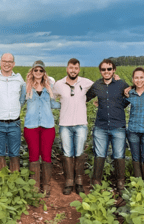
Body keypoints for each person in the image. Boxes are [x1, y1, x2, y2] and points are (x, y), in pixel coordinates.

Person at [86, 59, 129, 193]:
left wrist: (118, 106)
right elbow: (85, 98)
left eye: (109, 69)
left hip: (118, 125)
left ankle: (120, 183)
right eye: (103, 69)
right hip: (101, 126)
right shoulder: (97, 85)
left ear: (114, 70)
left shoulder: (121, 84)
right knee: (99, 154)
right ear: (100, 71)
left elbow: (129, 96)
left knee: (119, 155)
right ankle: (96, 182)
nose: (106, 72)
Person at [53, 58, 93, 195]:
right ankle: (69, 181)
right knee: (67, 153)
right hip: (65, 124)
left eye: (76, 68)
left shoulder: (86, 82)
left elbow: (100, 87)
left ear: (79, 69)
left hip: (81, 124)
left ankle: (79, 181)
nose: (73, 71)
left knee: (79, 153)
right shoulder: (59, 84)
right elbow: (51, 98)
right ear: (67, 68)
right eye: (71, 68)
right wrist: (61, 106)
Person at [21, 60, 60, 197]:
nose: (38, 73)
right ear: (32, 71)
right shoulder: (25, 87)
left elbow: (55, 104)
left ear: (44, 73)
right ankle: (35, 185)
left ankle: (46, 185)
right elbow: (19, 104)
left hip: (47, 126)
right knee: (33, 155)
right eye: (35, 70)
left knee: (46, 155)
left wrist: (71, 103)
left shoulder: (49, 87)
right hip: (31, 126)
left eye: (41, 70)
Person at [0, 53, 25, 172]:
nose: (7, 64)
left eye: (10, 61)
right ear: (0, 62)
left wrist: (17, 107)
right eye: (4, 61)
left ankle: (14, 179)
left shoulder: (19, 79)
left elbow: (22, 97)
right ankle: (1, 181)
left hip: (15, 123)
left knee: (15, 153)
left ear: (13, 64)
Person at [125, 67, 144, 187]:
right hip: (133, 131)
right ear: (132, 80)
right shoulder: (129, 94)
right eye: (136, 78)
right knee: (136, 159)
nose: (139, 80)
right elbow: (118, 105)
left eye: (141, 77)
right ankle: (138, 185)